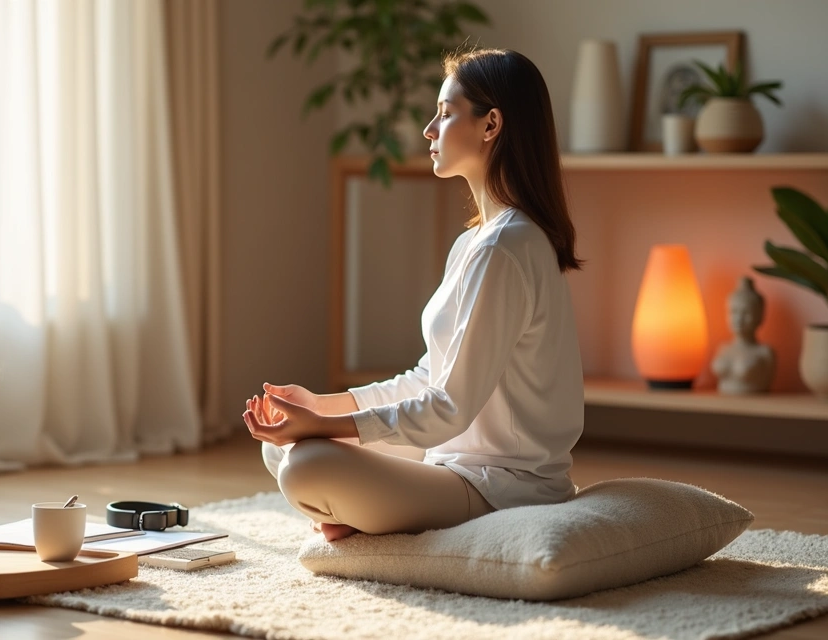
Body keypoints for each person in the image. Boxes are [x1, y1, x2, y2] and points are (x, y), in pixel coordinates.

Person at [243, 48, 585, 542]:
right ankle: (357, 513)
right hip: (448, 458)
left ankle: (359, 514)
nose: (429, 129)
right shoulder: (474, 242)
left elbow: (448, 407)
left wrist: (323, 429)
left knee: (305, 465)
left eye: (445, 114)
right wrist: (322, 408)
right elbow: (429, 378)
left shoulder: (508, 247)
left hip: (504, 488)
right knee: (280, 445)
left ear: (491, 125)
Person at [711, 276, 775, 394]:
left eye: (746, 313)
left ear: (760, 316)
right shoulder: (722, 348)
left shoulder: (765, 353)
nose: (738, 319)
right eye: (734, 312)